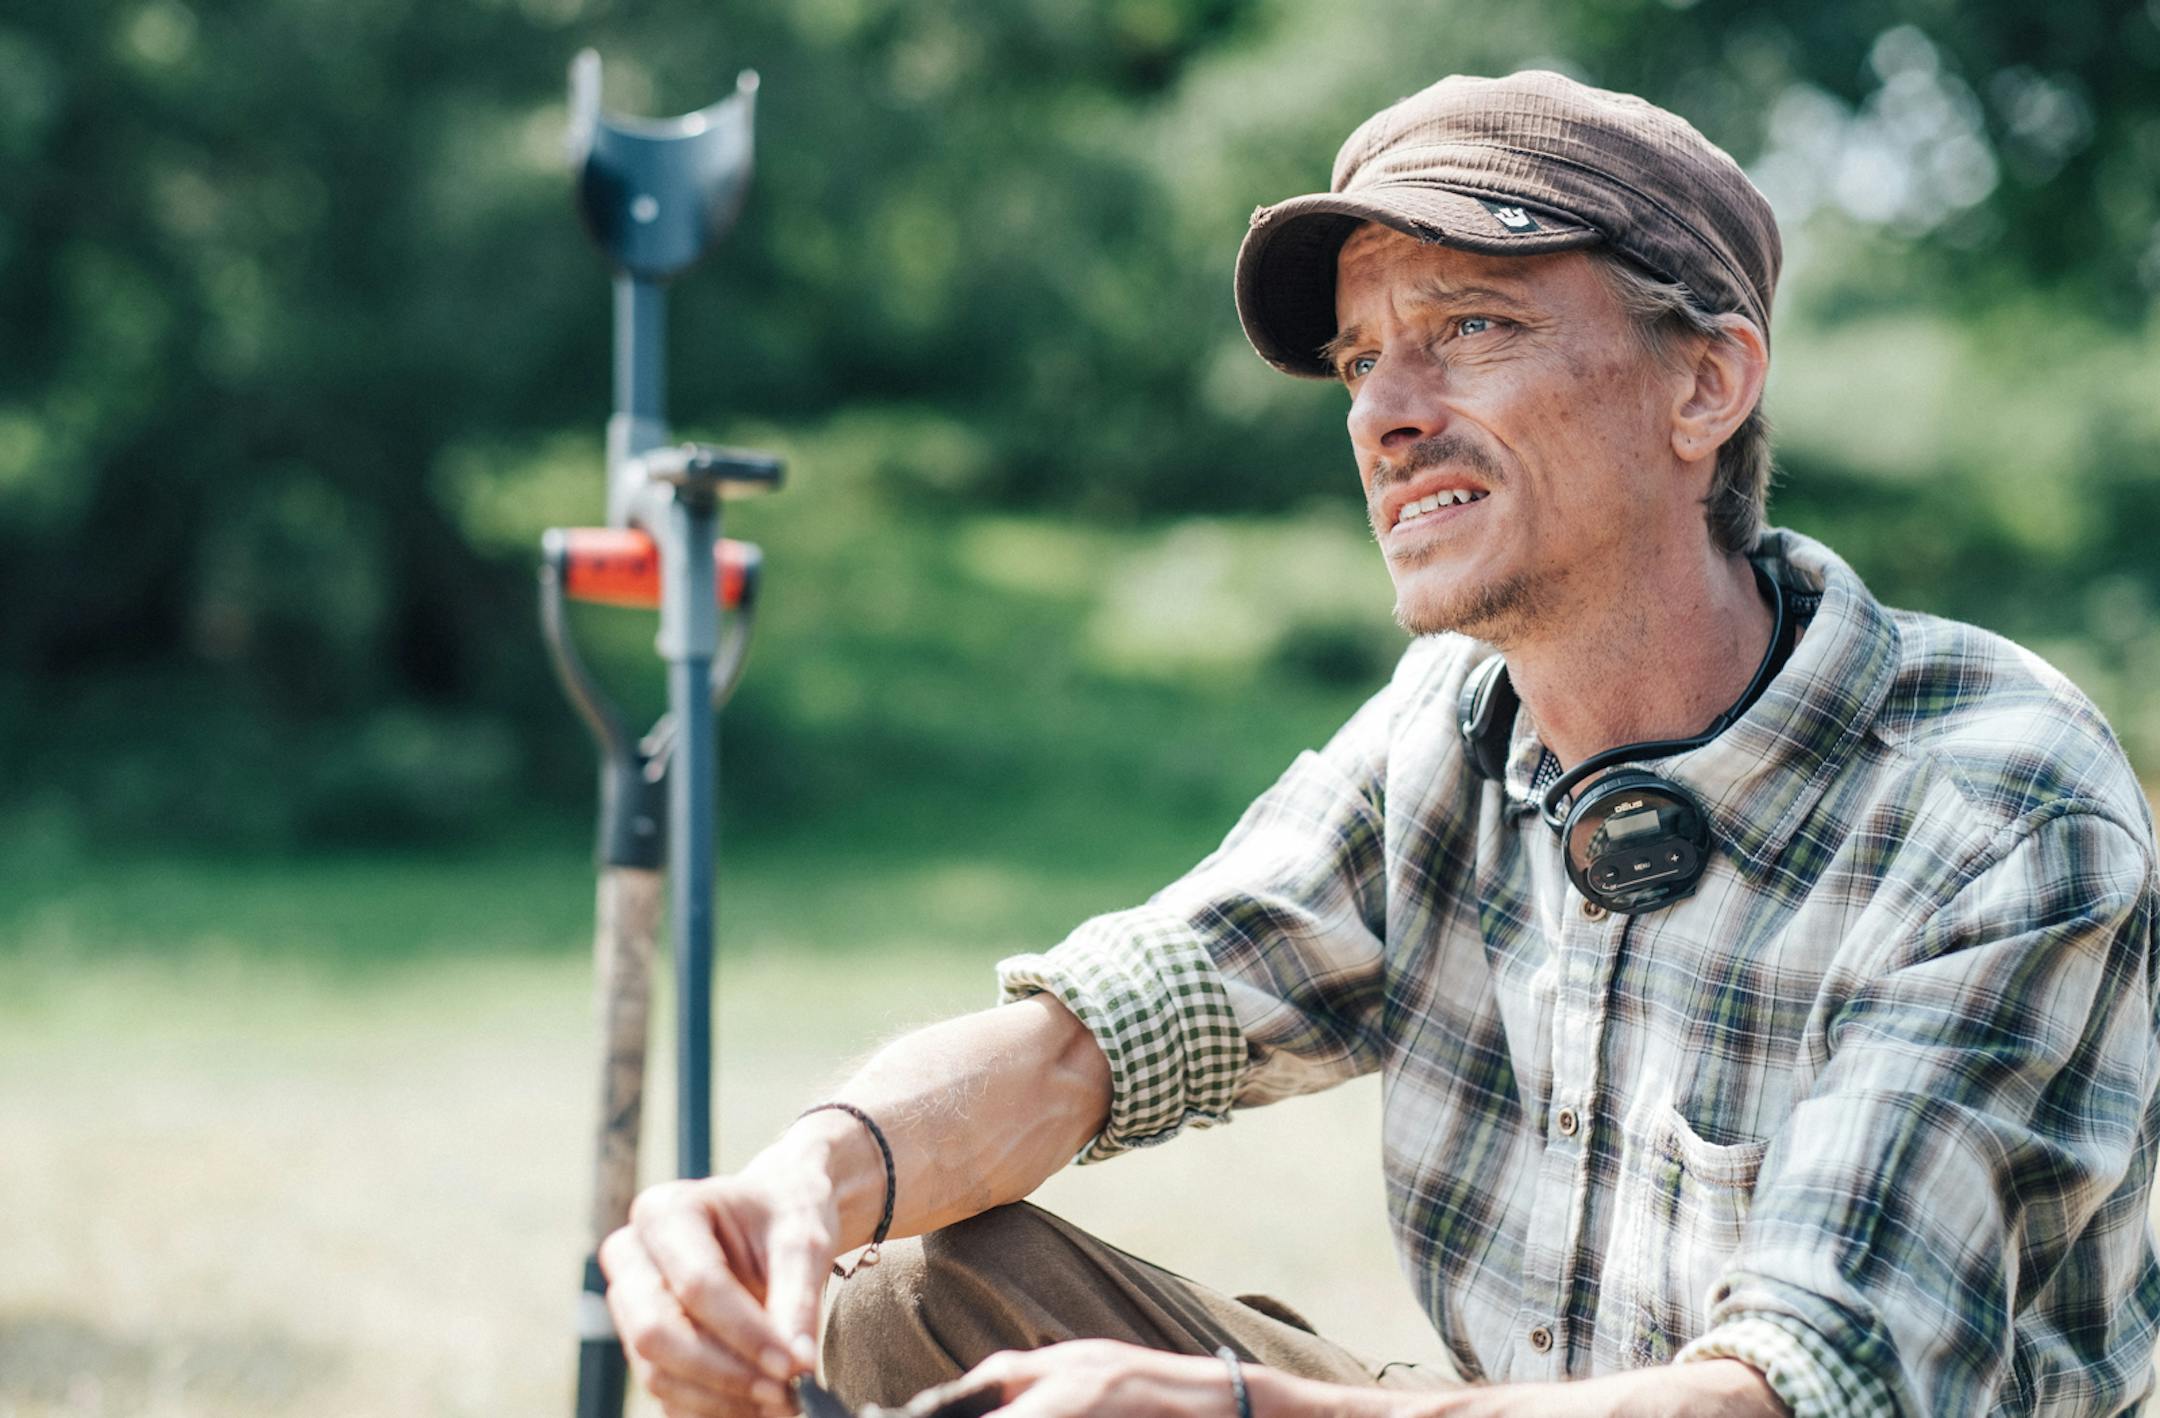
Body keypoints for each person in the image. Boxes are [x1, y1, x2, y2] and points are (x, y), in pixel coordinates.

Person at [600, 70, 2160, 1418]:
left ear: (1707, 382)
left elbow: (1803, 1390)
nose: (1383, 415)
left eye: (1470, 326)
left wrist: (1240, 1406)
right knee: (911, 1298)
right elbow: (1098, 1032)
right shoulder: (1458, 724)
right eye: (1360, 360)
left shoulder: (1994, 802)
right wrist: (791, 1184)